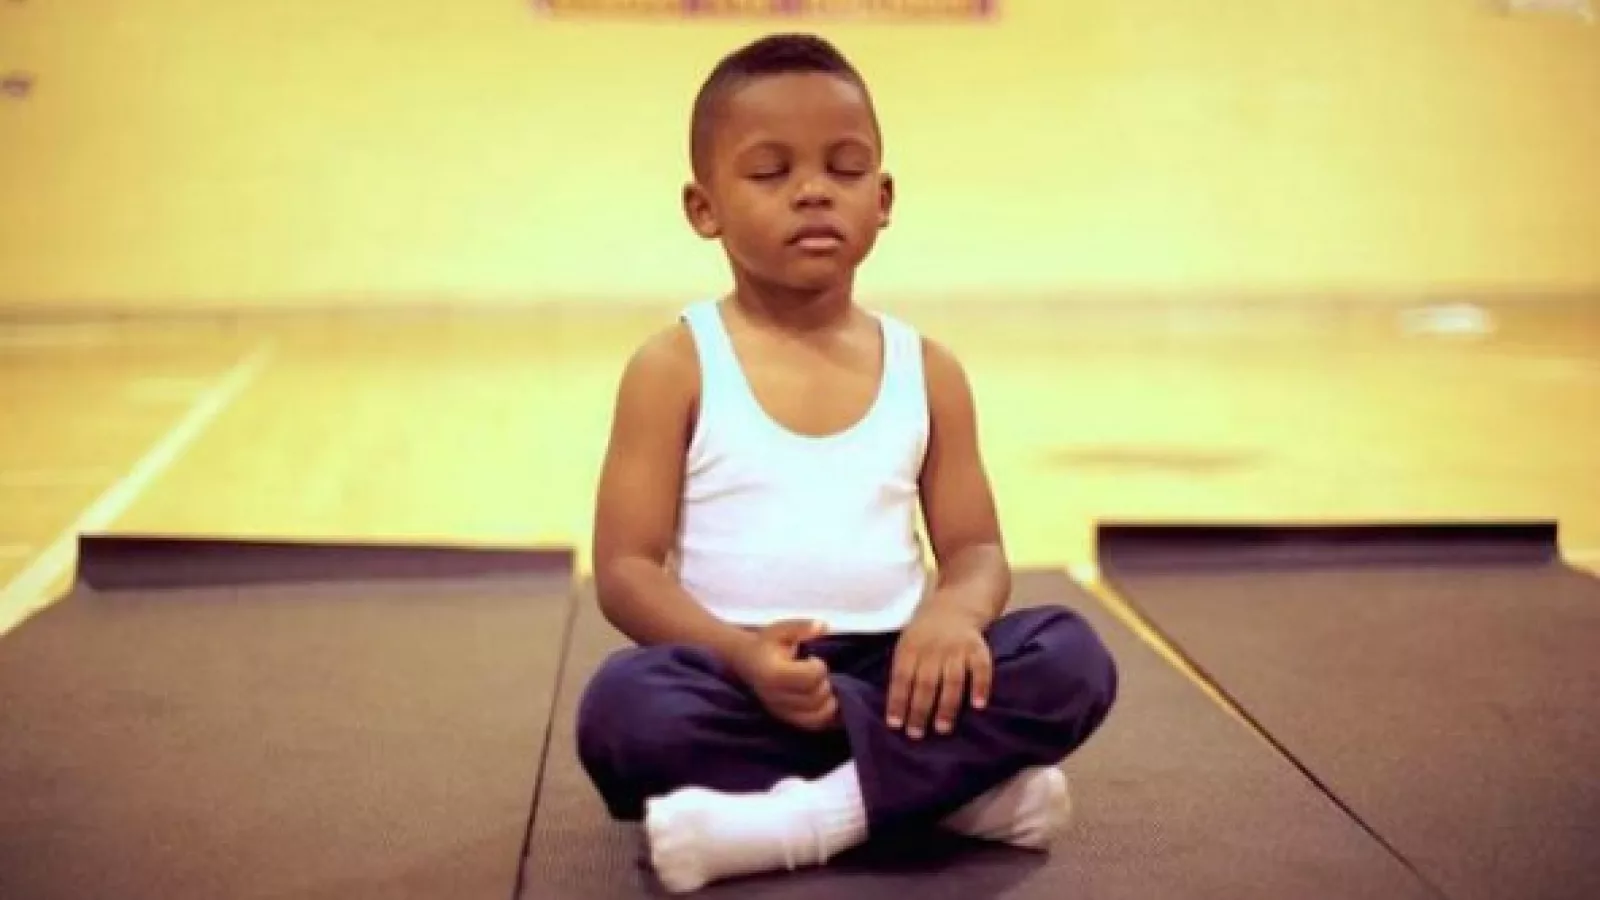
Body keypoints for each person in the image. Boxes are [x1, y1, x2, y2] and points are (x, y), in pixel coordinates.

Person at [575, 32, 1119, 894]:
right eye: (771, 172)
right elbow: (626, 572)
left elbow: (975, 550)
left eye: (846, 167)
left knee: (1069, 655)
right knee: (625, 710)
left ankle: (809, 819)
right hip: (741, 673)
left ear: (884, 197)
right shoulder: (673, 366)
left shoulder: (927, 369)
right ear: (704, 208)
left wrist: (952, 619)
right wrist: (742, 655)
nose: (814, 191)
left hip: (907, 677)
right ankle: (950, 796)